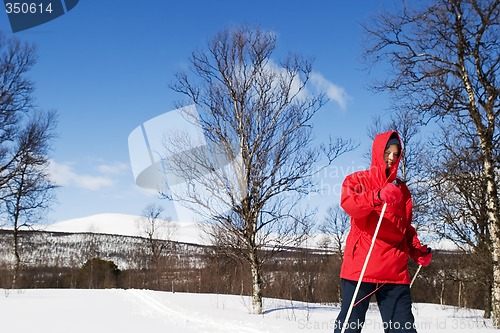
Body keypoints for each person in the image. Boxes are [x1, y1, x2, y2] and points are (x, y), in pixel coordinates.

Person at [333, 130, 432, 333]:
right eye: (388, 152)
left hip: (394, 270)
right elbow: (350, 204)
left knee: (403, 329)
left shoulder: (402, 190)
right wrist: (377, 195)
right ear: (378, 152)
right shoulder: (357, 180)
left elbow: (405, 228)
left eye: (396, 154)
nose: (391, 158)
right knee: (348, 327)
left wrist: (417, 250)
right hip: (362, 265)